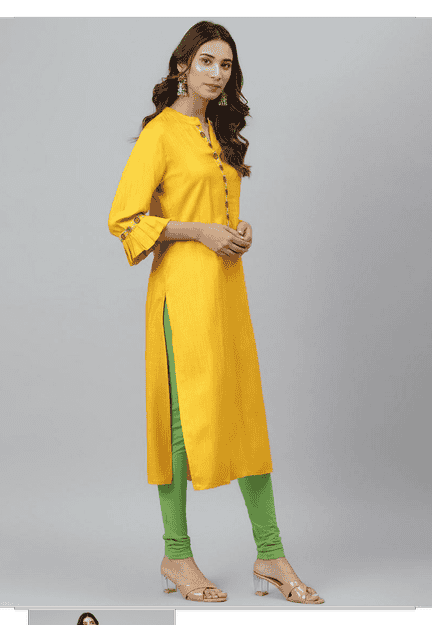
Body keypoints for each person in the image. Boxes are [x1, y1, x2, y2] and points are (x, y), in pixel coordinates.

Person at [107, 21, 324, 605]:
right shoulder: (161, 133)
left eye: (225, 64)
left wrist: (236, 228)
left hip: (227, 289)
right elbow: (126, 219)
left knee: (245, 414)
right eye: (206, 60)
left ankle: (270, 554)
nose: (217, 73)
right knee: (181, 423)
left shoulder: (218, 131)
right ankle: (176, 555)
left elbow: (217, 205)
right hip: (182, 292)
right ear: (183, 66)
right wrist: (199, 231)